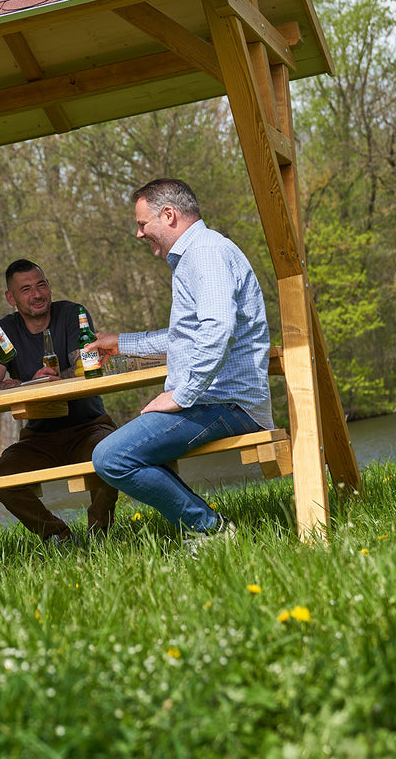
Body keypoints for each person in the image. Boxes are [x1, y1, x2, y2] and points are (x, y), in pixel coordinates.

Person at [86, 179, 272, 544]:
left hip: (225, 403)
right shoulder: (197, 256)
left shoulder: (204, 253)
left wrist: (181, 395)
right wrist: (119, 343)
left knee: (111, 457)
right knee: (121, 451)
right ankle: (207, 528)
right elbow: (184, 336)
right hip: (212, 400)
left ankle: (210, 530)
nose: (139, 234)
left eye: (143, 224)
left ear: (168, 215)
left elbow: (218, 327)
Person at [0, 260, 118, 543]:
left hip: (88, 426)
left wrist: (52, 379)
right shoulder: (4, 329)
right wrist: (31, 383)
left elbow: (85, 367)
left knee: (111, 454)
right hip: (38, 437)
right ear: (10, 298)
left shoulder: (73, 313)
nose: (37, 294)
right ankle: (57, 536)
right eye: (25, 289)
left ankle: (100, 533)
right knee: (1, 478)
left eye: (41, 285)